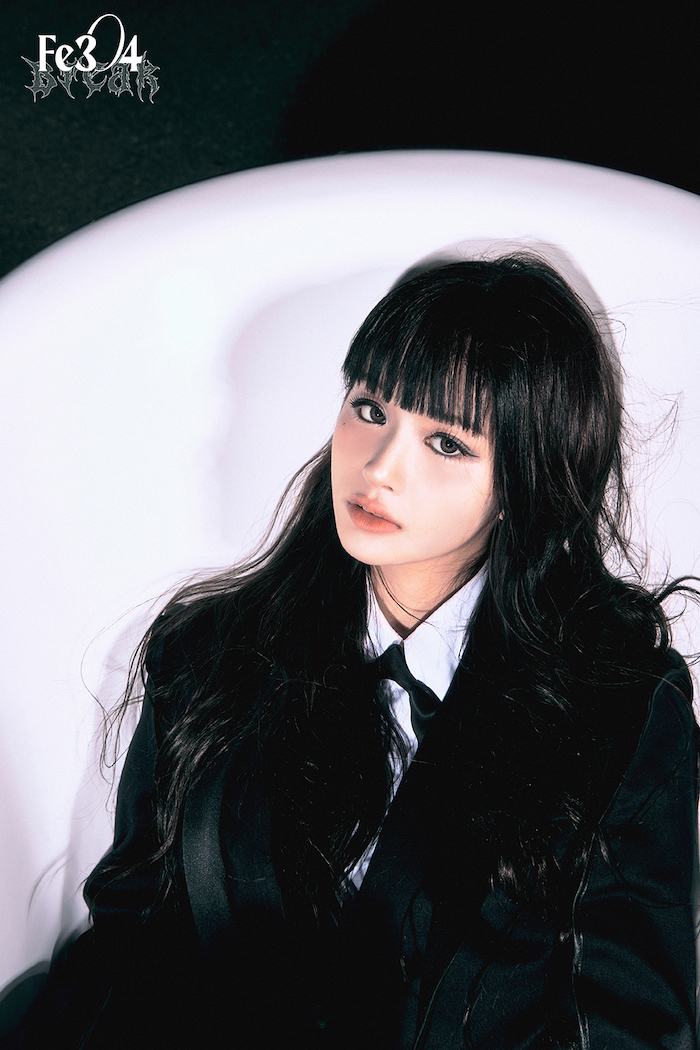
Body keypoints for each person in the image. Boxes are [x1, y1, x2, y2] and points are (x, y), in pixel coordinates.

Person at [4, 252, 698, 1049]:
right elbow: (132, 945)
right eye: (370, 408)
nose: (380, 468)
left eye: (447, 443)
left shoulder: (619, 710)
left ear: (526, 482)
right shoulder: (206, 654)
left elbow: (632, 1024)